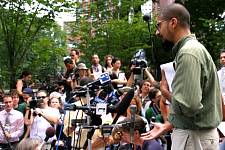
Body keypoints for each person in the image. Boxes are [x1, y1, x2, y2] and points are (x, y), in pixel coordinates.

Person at [141, 3, 222, 150]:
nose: (157, 32)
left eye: (159, 25)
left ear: (173, 22)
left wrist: (165, 93)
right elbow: (195, 107)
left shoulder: (188, 53)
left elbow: (189, 106)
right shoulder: (193, 50)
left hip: (193, 138)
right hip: (195, 136)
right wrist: (169, 125)